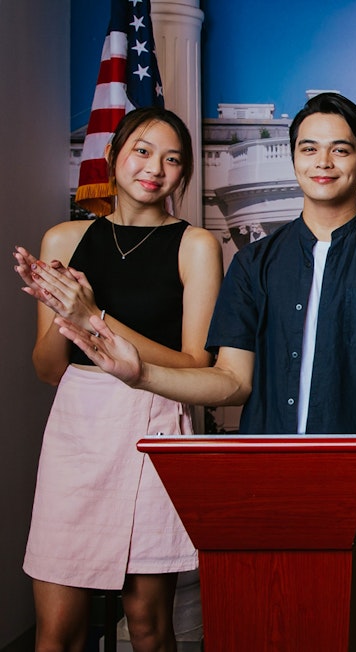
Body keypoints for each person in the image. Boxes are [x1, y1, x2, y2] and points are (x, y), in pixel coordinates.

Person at [56, 92, 356, 443]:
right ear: (294, 159)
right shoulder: (254, 262)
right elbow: (232, 381)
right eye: (309, 149)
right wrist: (142, 375)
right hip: (264, 462)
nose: (323, 163)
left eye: (340, 151)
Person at [13, 107, 223, 651]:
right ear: (112, 157)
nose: (155, 167)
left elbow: (197, 363)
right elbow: (48, 368)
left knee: (149, 626)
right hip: (76, 431)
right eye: (143, 151)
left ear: (184, 174)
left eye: (173, 159)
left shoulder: (195, 244)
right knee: (57, 632)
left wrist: (94, 318)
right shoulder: (62, 239)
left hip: (152, 421)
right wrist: (65, 312)